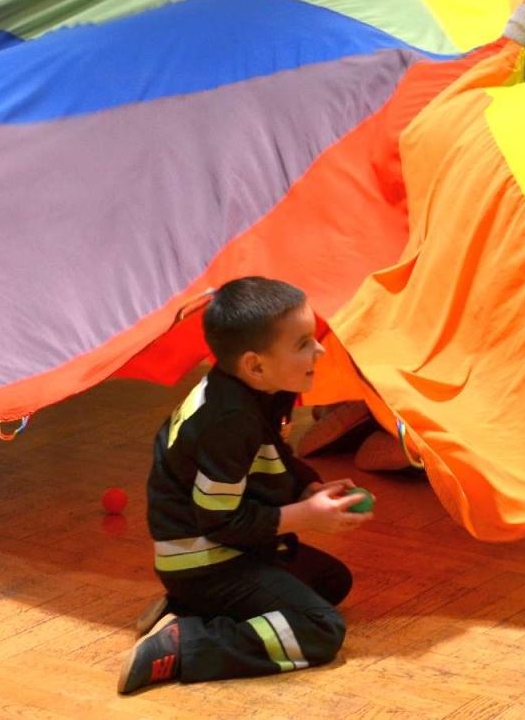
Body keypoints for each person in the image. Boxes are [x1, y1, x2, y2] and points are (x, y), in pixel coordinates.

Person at [120, 276, 371, 695]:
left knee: (331, 582)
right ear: (255, 365)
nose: (320, 349)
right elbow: (220, 522)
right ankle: (186, 646)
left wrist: (307, 490)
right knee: (321, 627)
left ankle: (188, 608)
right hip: (204, 557)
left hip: (222, 549)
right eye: (303, 343)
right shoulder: (229, 420)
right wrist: (305, 517)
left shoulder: (262, 389)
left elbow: (274, 460)